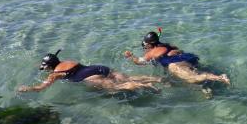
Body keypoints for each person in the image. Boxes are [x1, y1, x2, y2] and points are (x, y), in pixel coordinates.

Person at [17, 50, 162, 94]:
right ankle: (157, 79)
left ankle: (146, 86)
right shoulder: (68, 61)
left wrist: (28, 88)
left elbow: (41, 88)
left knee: (118, 87)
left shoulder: (54, 74)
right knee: (127, 77)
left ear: (49, 67)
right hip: (99, 68)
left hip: (92, 77)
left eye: (45, 67)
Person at [124, 31, 230, 85]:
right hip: (187, 58)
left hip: (174, 65)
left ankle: (220, 77)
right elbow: (179, 51)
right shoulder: (167, 45)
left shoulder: (151, 53)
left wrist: (131, 56)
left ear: (150, 44)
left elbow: (139, 62)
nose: (144, 45)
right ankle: (205, 88)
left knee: (192, 79)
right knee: (191, 77)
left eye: (145, 43)